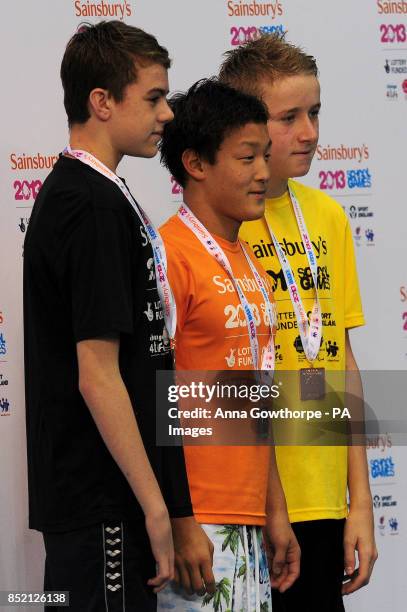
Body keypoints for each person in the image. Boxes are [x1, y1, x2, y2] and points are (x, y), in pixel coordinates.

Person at [23, 21, 193, 611]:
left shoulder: (98, 194)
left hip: (109, 500)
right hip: (104, 503)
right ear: (101, 102)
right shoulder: (88, 203)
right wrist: (154, 505)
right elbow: (97, 373)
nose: (167, 114)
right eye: (152, 97)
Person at [219, 34, 378, 611]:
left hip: (325, 503)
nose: (310, 131)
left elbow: (342, 360)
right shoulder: (221, 221)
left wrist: (359, 501)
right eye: (290, 117)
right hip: (249, 506)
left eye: (314, 112)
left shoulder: (329, 216)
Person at [157, 78, 300, 612]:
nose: (264, 172)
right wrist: (179, 518)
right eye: (247, 157)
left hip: (247, 519)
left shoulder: (250, 264)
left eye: (265, 155)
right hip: (194, 523)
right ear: (195, 163)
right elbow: (152, 393)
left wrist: (275, 510)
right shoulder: (169, 256)